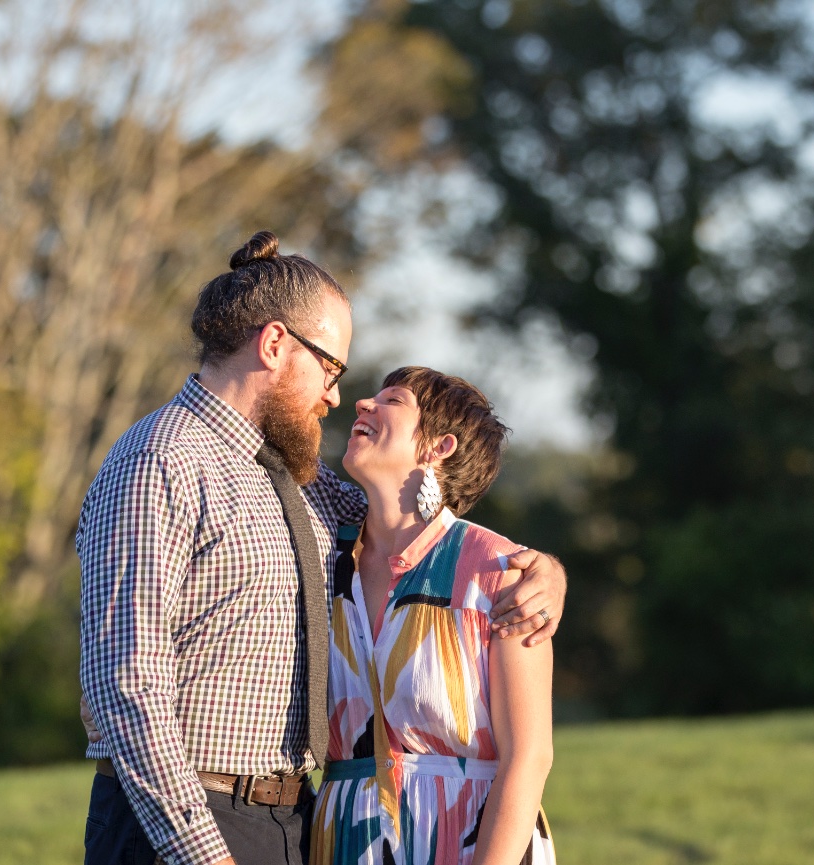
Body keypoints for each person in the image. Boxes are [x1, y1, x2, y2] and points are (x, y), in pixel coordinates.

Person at [77, 231, 566, 865]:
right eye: (330, 368)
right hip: (179, 827)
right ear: (275, 344)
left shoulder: (300, 484)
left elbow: (415, 526)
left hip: (288, 824)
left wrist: (545, 572)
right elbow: (125, 684)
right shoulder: (160, 463)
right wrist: (202, 854)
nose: (338, 396)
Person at [311, 367, 554, 865]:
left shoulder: (498, 573)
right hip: (344, 838)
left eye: (392, 401)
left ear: (438, 447)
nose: (362, 405)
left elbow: (528, 758)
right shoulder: (325, 557)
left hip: (470, 840)